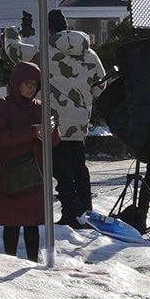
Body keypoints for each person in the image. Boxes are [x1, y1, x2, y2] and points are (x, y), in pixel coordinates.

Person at [0, 57, 49, 260]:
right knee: (11, 224)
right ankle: (9, 261)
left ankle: (34, 262)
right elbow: (0, 137)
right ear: (17, 83)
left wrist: (52, 129)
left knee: (32, 225)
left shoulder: (40, 107)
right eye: (28, 84)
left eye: (35, 85)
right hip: (11, 173)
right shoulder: (2, 106)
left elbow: (54, 141)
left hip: (34, 174)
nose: (32, 89)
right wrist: (31, 132)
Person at [44, 27, 104, 227]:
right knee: (79, 167)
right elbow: (100, 87)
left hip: (57, 124)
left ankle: (70, 211)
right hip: (79, 123)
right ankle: (86, 208)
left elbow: (15, 53)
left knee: (61, 169)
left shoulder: (46, 53)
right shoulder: (91, 55)